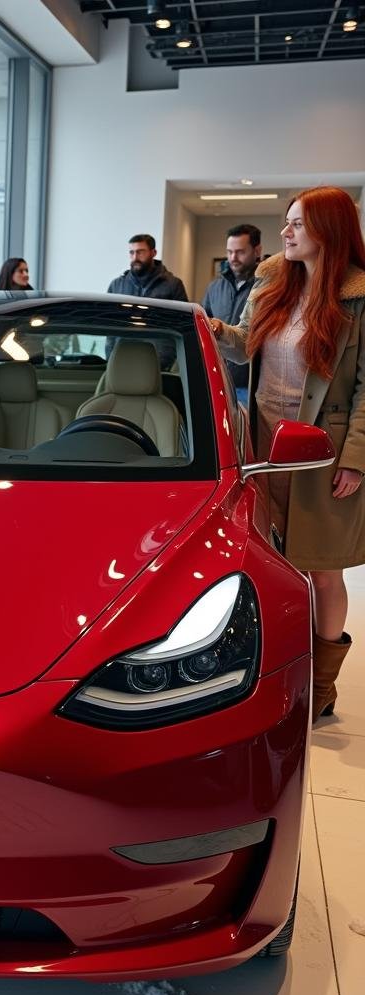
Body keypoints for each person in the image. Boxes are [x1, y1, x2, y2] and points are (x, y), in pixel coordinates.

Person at [209, 186, 365, 722]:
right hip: (263, 444)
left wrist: (355, 458)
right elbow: (246, 344)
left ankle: (320, 689)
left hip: (324, 451)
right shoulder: (273, 281)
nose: (285, 232)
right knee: (271, 562)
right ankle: (272, 675)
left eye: (297, 223)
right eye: (287, 221)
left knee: (322, 569)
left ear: (329, 229)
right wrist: (216, 331)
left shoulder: (357, 297)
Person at [107, 233, 188, 369]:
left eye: (140, 252)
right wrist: (109, 357)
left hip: (160, 362)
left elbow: (182, 324)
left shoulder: (173, 285)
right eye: (131, 252)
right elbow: (108, 325)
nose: (135, 257)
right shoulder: (117, 285)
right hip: (121, 360)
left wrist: (170, 357)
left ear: (153, 252)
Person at [202, 224, 262, 404]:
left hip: (252, 384)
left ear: (257, 250)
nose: (233, 258)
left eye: (240, 252)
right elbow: (203, 325)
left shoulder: (268, 287)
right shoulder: (214, 287)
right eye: (229, 252)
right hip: (217, 381)